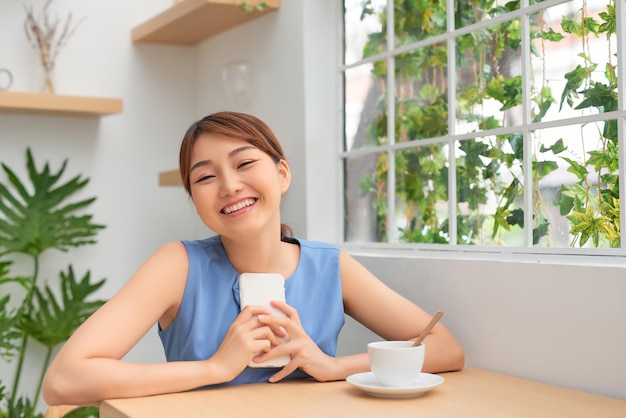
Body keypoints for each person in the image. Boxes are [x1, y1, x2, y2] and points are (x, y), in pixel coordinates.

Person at [43, 111, 464, 406]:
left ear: (282, 175)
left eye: (245, 162)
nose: (228, 185)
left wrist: (329, 365)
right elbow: (64, 380)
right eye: (205, 177)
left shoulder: (330, 266)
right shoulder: (176, 265)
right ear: (196, 201)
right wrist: (215, 368)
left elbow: (444, 349)